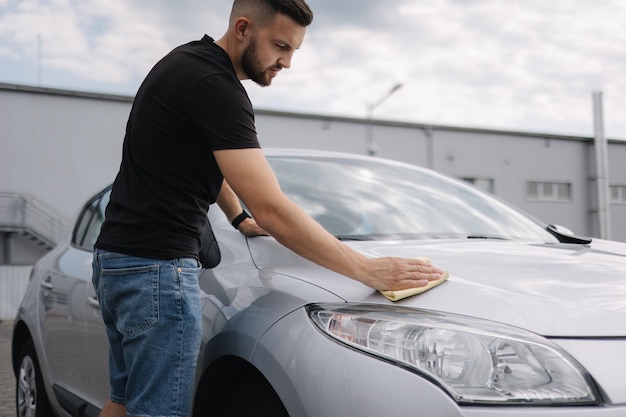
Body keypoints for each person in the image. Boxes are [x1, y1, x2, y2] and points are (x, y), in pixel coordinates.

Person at [92, 0, 445, 416]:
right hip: (158, 271)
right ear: (243, 28)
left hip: (117, 260)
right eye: (280, 46)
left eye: (294, 50)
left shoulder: (185, 62)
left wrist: (238, 216)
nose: (288, 62)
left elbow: (211, 160)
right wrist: (368, 270)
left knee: (122, 402)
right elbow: (273, 208)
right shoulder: (217, 86)